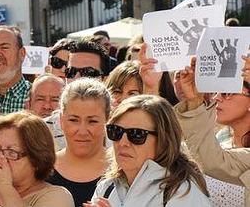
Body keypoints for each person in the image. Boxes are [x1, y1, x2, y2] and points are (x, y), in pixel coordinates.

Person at [87, 95, 210, 206]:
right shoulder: (106, 188)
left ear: (164, 141)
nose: (123, 143)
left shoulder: (182, 192)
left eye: (136, 134)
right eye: (116, 131)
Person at [173, 54, 250, 205]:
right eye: (217, 91)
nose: (216, 98)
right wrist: (194, 100)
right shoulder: (215, 139)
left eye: (227, 93)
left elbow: (210, 160)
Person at [0, 111, 73, 206]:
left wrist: (4, 187)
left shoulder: (56, 197)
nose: (0, 158)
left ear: (37, 160)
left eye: (11, 152)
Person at [47, 78, 110, 207]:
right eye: (74, 120)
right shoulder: (41, 170)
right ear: (61, 120)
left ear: (108, 121)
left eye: (92, 121)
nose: (82, 131)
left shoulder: (123, 172)